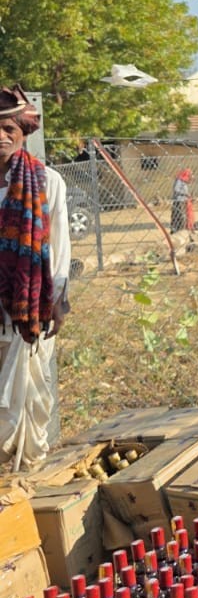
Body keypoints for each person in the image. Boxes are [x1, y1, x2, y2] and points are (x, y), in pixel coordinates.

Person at [0, 86, 71, 472]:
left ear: (23, 131)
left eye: (9, 127)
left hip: (28, 311)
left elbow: (59, 246)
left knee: (24, 406)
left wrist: (58, 300)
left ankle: (23, 485)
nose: (1, 136)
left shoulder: (47, 182)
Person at [170, 168, 193, 234]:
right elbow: (176, 189)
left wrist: (188, 196)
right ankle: (178, 231)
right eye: (189, 174)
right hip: (178, 201)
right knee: (181, 216)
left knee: (183, 216)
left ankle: (181, 230)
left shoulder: (184, 181)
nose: (190, 176)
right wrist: (185, 194)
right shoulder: (179, 180)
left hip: (183, 200)